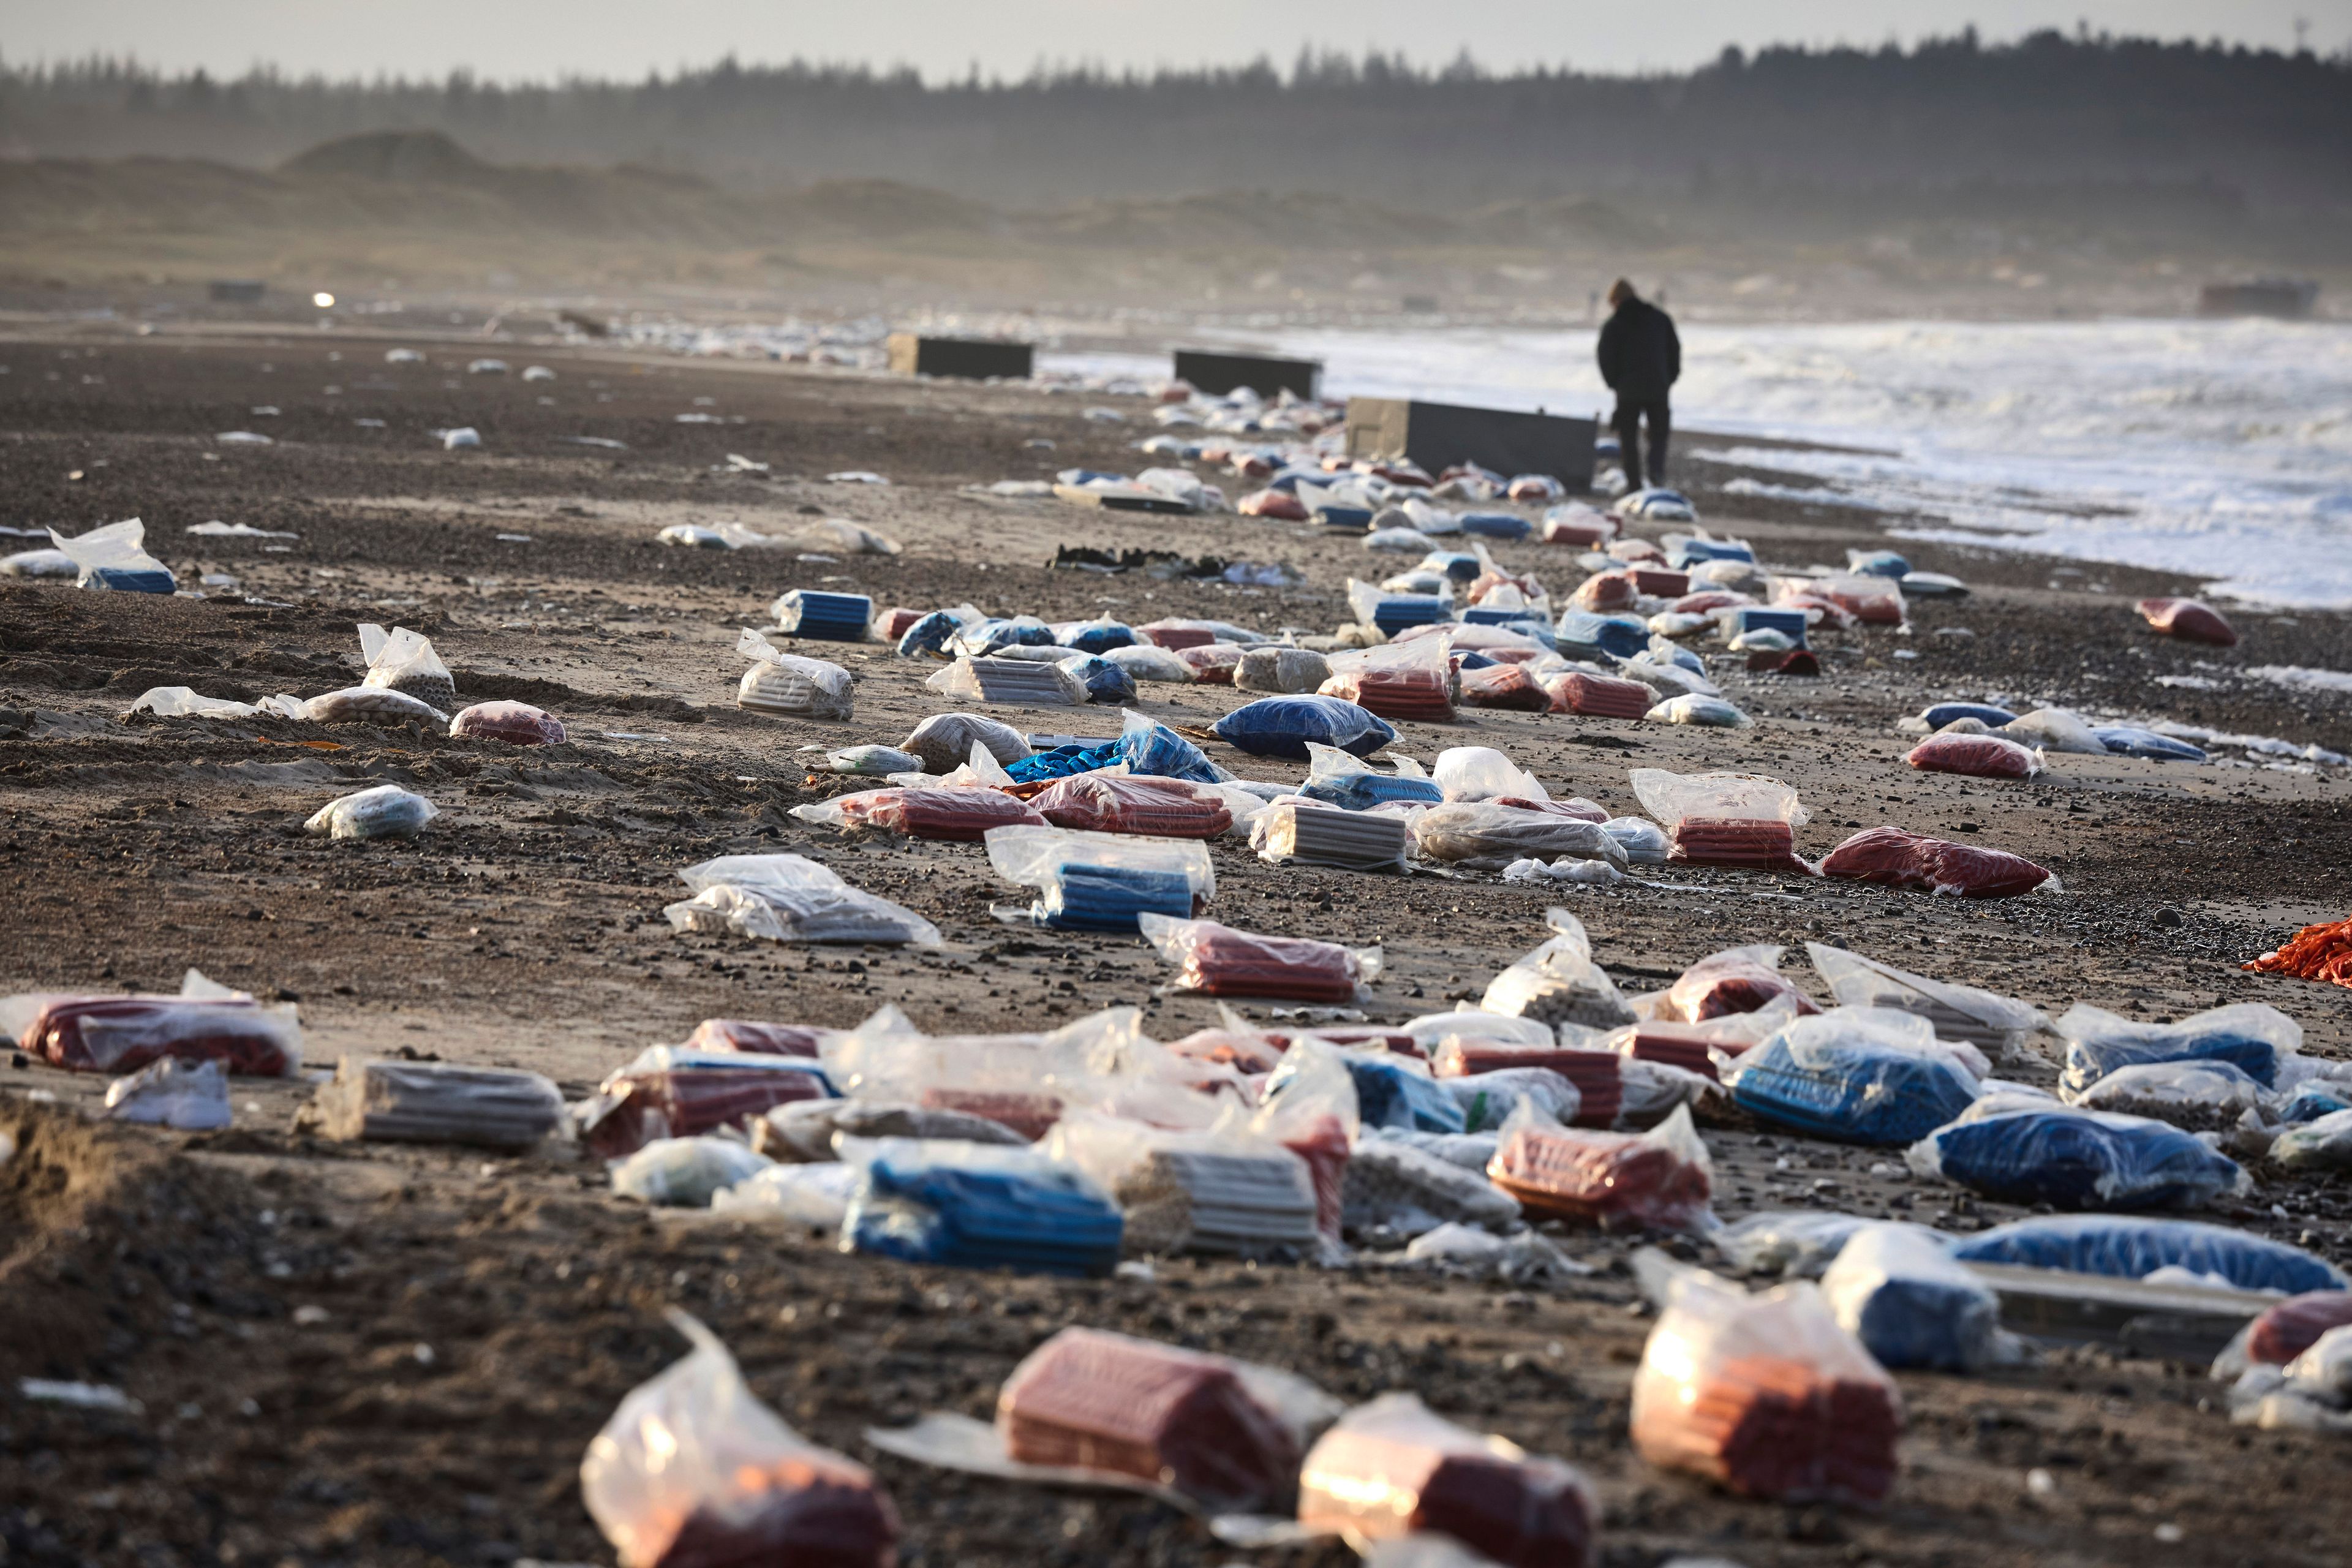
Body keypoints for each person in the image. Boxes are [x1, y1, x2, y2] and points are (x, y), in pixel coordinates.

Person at [1595, 279, 1680, 491]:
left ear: (1616, 301)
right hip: (1658, 388)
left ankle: (1634, 483)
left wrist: (1614, 383)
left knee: (1628, 439)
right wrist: (1669, 379)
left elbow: (1605, 357)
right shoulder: (1661, 319)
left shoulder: (1613, 325)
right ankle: (1656, 474)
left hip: (1628, 391)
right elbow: (1675, 352)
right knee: (1659, 436)